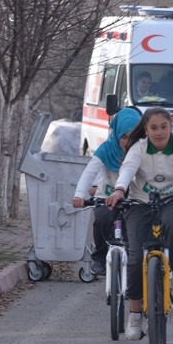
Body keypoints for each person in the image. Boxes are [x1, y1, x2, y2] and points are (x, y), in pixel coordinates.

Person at [107, 107, 173, 339]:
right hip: (141, 201)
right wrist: (120, 190)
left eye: (164, 127)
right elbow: (128, 170)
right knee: (134, 255)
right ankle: (135, 315)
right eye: (153, 128)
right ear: (146, 130)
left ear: (170, 127)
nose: (159, 132)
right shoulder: (138, 148)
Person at [72, 107, 142, 276]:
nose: (127, 141)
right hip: (107, 195)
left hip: (134, 197)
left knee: (135, 232)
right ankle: (100, 257)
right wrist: (79, 194)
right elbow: (90, 172)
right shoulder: (106, 148)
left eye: (132, 137)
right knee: (102, 220)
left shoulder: (142, 149)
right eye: (124, 136)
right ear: (116, 133)